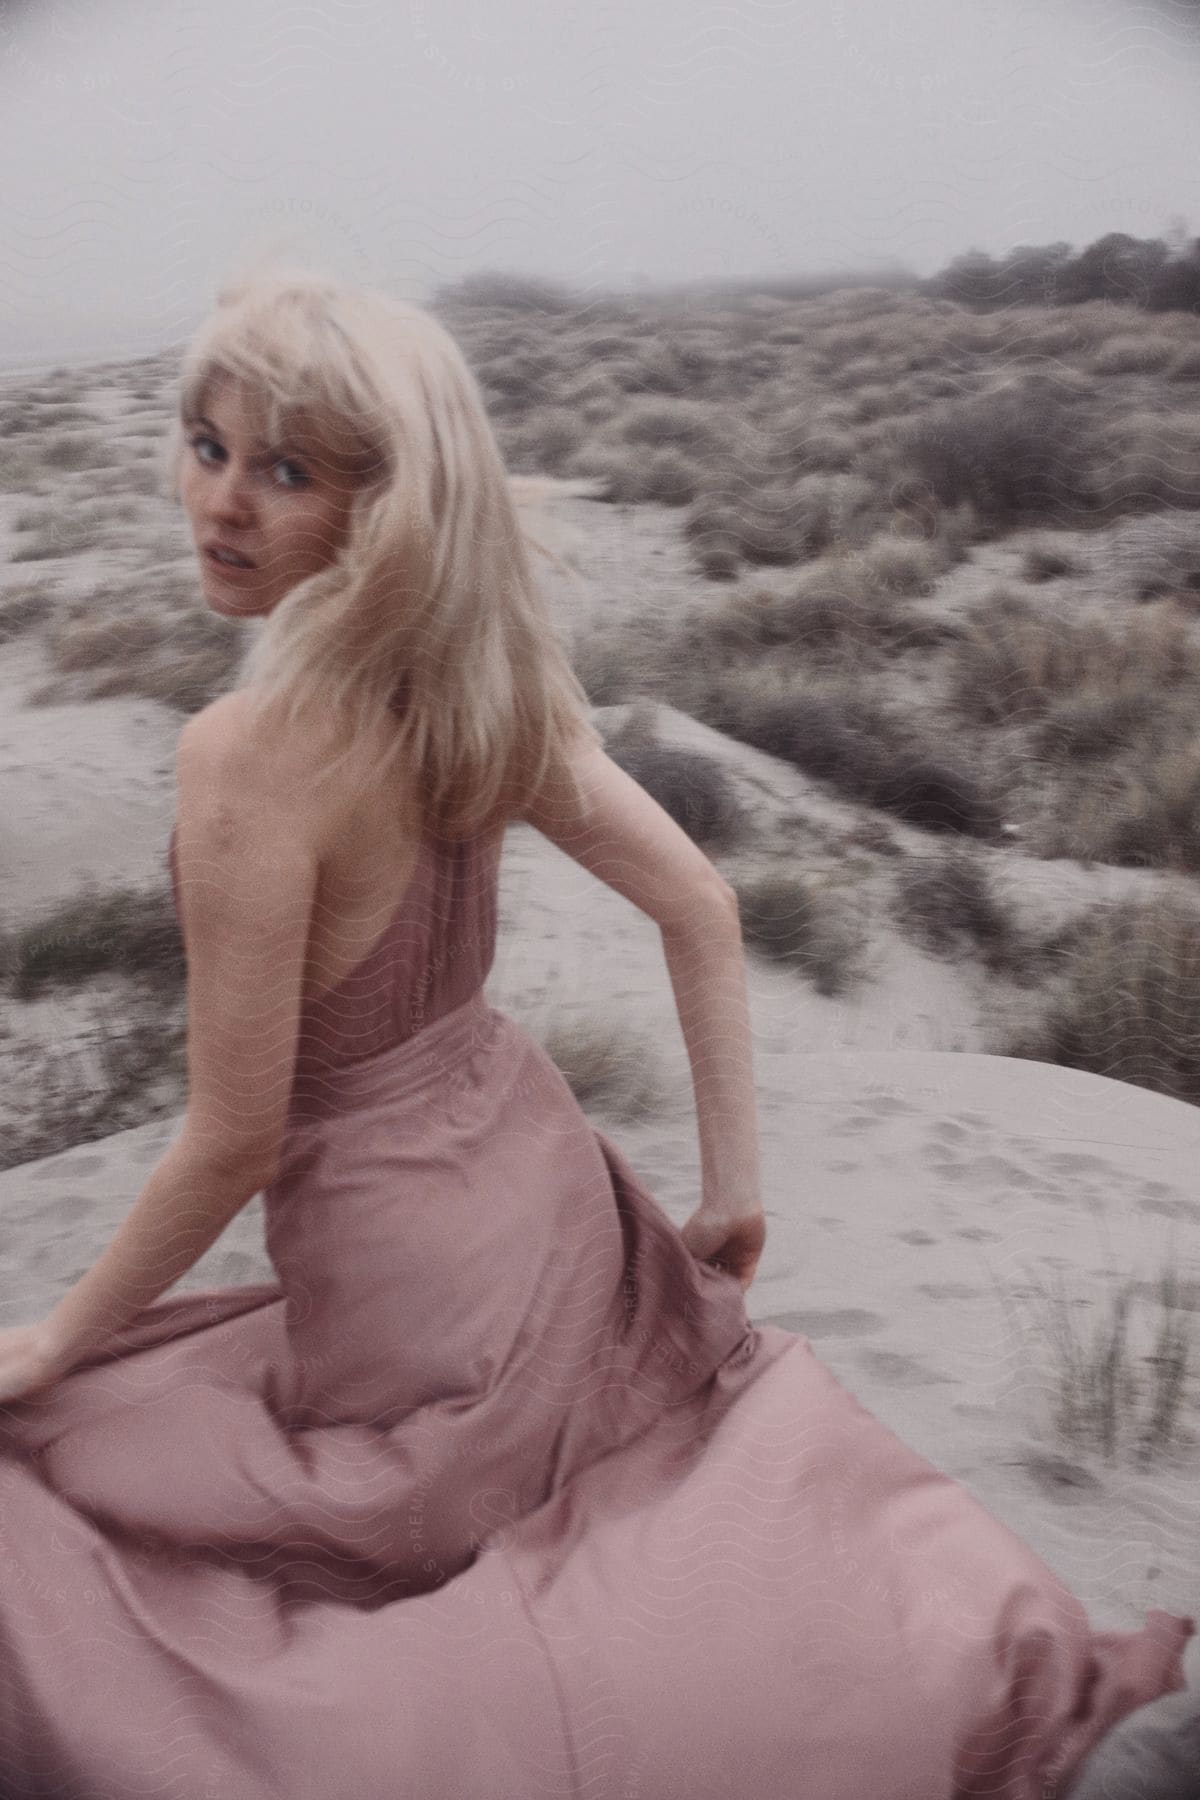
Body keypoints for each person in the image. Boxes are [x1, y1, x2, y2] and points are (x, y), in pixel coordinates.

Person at [0, 260, 1192, 1799]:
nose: (219, 503)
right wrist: (730, 1191)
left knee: (78, 1496)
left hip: (401, 1272)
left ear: (384, 508)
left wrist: (47, 1335)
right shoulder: (487, 680)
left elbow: (232, 1137)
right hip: (549, 1188)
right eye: (206, 442)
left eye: (286, 470)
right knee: (619, 1497)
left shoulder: (248, 754)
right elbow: (700, 906)